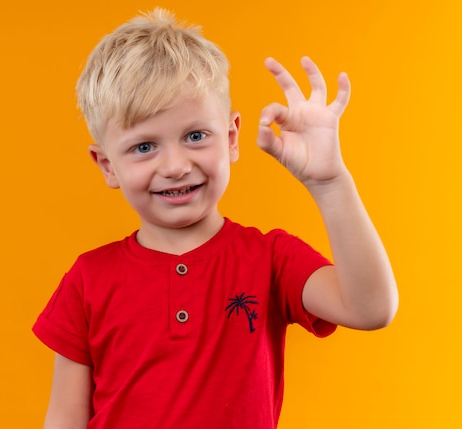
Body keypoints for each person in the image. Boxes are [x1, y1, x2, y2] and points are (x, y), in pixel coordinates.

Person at [32, 8, 398, 429]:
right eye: (144, 147)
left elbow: (371, 309)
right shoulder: (88, 278)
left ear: (230, 138)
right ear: (107, 165)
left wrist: (330, 182)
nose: (174, 165)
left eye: (194, 136)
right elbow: (64, 419)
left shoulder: (272, 258)